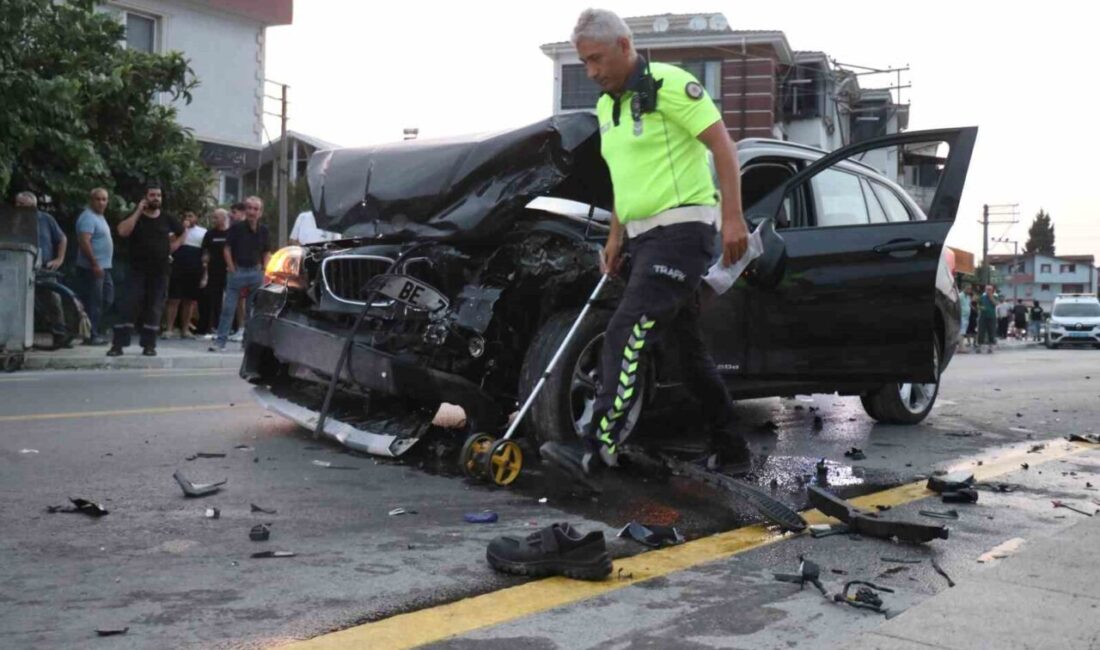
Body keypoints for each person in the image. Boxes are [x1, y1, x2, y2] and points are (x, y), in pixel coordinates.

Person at [540, 9, 752, 484]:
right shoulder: (605, 108)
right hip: (642, 239)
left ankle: (600, 447)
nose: (591, 72)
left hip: (683, 232)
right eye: (583, 63)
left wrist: (734, 217)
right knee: (686, 352)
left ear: (623, 45)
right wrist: (615, 238)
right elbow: (625, 181)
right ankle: (731, 447)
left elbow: (723, 147)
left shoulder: (671, 85)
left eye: (596, 60)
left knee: (626, 330)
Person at [108, 185, 184, 357]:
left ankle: (149, 345)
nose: (156, 198)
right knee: (127, 305)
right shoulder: (136, 216)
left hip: (160, 270)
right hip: (136, 269)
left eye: (159, 195)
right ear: (145, 197)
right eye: (152, 195)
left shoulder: (167, 218)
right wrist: (137, 212)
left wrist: (173, 246)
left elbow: (182, 232)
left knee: (154, 307)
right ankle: (118, 344)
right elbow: (122, 231)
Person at [209, 196, 271, 352]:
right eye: (249, 208)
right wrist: (231, 268)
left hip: (256, 273)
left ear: (260, 212)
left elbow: (267, 252)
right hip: (238, 272)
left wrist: (265, 271)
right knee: (228, 308)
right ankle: (220, 342)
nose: (252, 211)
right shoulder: (236, 228)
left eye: (255, 209)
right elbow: (227, 248)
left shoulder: (264, 230)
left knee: (253, 311)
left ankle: (248, 343)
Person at [15, 191, 69, 348]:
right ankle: (17, 335)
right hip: (19, 266)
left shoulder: (45, 219)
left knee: (53, 299)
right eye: (18, 204)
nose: (20, 208)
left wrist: (59, 259)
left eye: (24, 206)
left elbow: (62, 238)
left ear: (34, 206)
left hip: (43, 266)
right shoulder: (13, 220)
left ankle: (60, 334)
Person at [74, 188, 115, 345]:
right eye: (98, 199)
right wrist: (95, 264)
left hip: (104, 266)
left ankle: (92, 328)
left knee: (107, 299)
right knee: (95, 301)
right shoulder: (88, 217)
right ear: (91, 200)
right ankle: (91, 334)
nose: (101, 202)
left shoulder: (100, 217)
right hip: (92, 267)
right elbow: (84, 241)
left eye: (104, 199)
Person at [163, 210, 206, 338]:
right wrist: (183, 230)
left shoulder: (203, 232)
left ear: (196, 218)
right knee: (174, 299)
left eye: (190, 216)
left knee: (189, 300)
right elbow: (170, 244)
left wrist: (204, 273)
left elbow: (205, 252)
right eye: (185, 216)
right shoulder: (176, 230)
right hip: (177, 268)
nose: (187, 218)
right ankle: (169, 328)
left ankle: (185, 329)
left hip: (194, 269)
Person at [199, 208, 230, 336]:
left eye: (216, 217)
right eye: (213, 217)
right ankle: (209, 327)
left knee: (228, 300)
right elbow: (205, 251)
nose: (214, 220)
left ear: (224, 218)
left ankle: (226, 328)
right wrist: (205, 267)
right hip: (213, 270)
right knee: (212, 299)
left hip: (228, 270)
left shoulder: (231, 233)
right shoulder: (210, 234)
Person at [977, 284, 998, 354]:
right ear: (985, 290)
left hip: (992, 317)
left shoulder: (995, 296)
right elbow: (978, 305)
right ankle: (979, 346)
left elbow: (996, 304)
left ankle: (991, 347)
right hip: (983, 316)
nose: (988, 291)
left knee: (991, 331)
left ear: (992, 290)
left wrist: (991, 297)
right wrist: (980, 307)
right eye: (987, 289)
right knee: (981, 331)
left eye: (990, 290)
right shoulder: (982, 297)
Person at [958, 285, 972, 353]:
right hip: (961, 316)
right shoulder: (960, 296)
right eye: (968, 288)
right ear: (964, 288)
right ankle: (961, 347)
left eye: (970, 289)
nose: (969, 290)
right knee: (961, 332)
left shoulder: (968, 297)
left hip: (966, 317)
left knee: (963, 332)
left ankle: (961, 346)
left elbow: (968, 305)